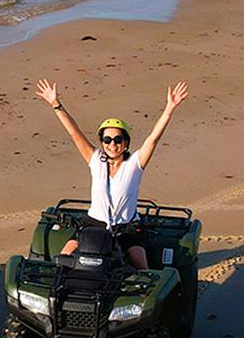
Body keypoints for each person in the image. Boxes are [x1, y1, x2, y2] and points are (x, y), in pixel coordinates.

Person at [35, 78, 189, 269]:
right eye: (107, 139)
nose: (112, 144)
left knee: (140, 263)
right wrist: (55, 104)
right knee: (65, 256)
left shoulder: (134, 164)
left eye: (118, 139)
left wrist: (169, 109)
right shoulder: (95, 160)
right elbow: (75, 133)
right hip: (94, 223)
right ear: (102, 142)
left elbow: (153, 138)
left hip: (127, 228)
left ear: (126, 142)